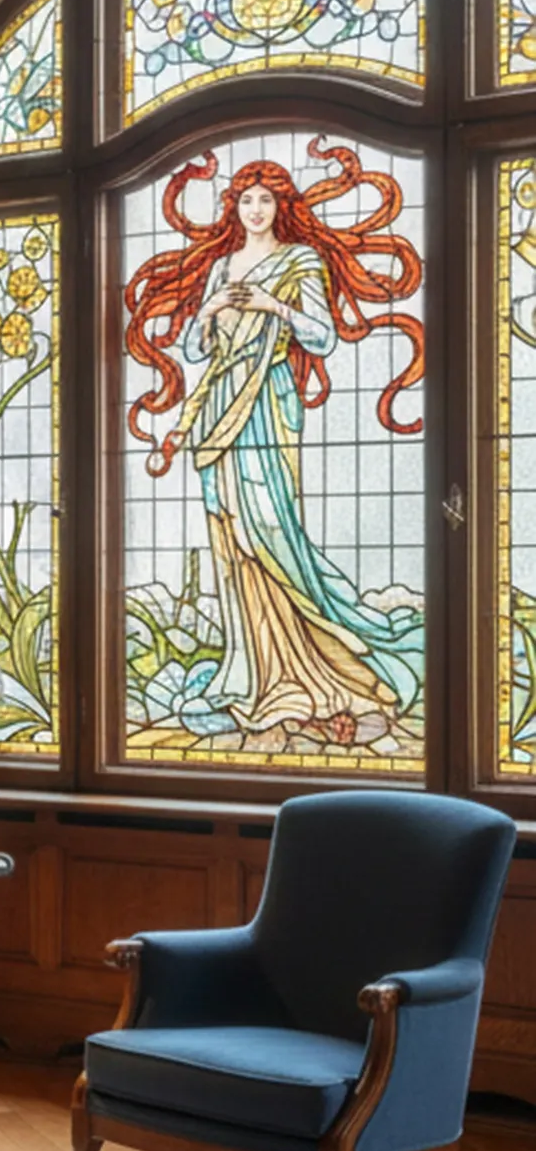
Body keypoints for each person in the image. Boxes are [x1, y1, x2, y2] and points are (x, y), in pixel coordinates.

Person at [124, 140, 424, 749]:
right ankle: (251, 669)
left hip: (267, 404)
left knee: (271, 530)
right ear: (233, 207)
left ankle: (312, 665)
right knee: (231, 538)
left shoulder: (301, 260)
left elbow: (323, 338)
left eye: (265, 199)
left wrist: (271, 304)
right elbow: (194, 352)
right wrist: (206, 313)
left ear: (280, 205)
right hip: (216, 412)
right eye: (245, 199)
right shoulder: (219, 266)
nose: (254, 209)